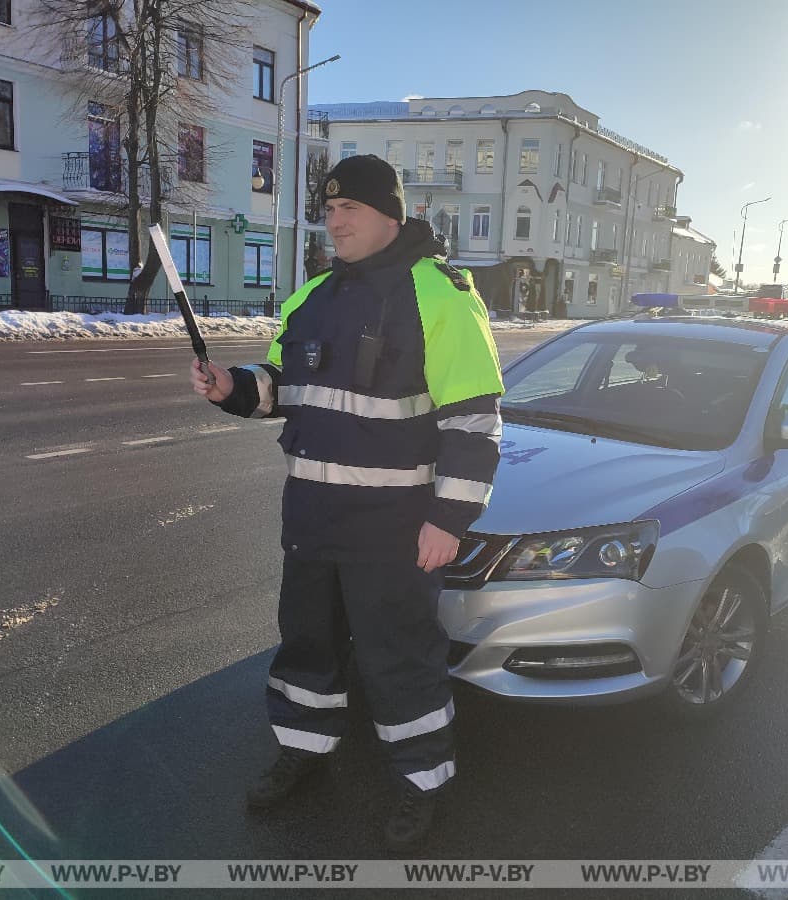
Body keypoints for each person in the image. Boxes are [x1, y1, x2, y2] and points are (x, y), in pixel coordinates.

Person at [188, 154, 503, 853]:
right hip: (311, 521)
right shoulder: (314, 298)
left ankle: (424, 781)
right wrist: (232, 388)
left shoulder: (441, 296)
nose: (333, 220)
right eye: (329, 210)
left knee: (401, 660)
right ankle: (303, 748)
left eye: (348, 209)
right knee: (307, 648)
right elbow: (283, 388)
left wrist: (449, 520)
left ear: (389, 214)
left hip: (393, 532)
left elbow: (475, 422)